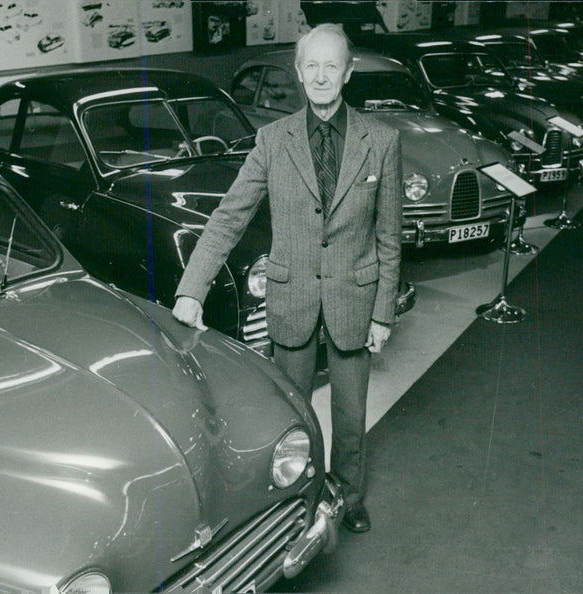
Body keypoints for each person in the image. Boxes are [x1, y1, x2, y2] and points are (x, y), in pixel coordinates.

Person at [173, 23, 402, 533]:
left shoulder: (381, 142)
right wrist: (193, 287)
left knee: (350, 413)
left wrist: (383, 310)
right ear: (299, 74)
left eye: (331, 66)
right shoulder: (272, 141)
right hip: (291, 299)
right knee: (291, 413)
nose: (321, 76)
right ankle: (300, 498)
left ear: (347, 72)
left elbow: (389, 236)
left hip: (353, 299)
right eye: (311, 66)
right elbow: (230, 215)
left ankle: (348, 493)